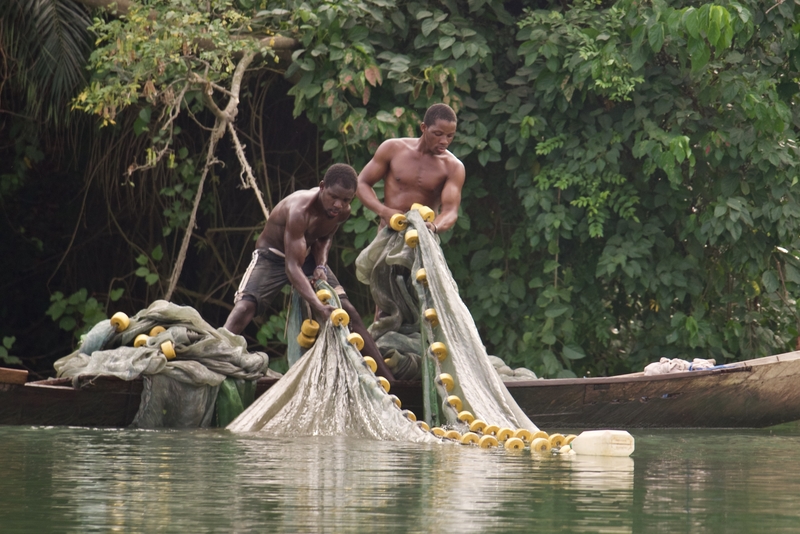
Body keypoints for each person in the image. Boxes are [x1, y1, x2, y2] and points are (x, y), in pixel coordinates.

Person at [224, 163, 393, 380]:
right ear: (322, 187)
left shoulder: (342, 211)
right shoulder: (300, 210)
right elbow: (292, 268)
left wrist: (321, 265)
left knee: (348, 310)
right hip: (273, 255)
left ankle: (390, 380)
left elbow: (324, 237)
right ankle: (217, 351)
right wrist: (318, 306)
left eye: (346, 200)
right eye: (333, 197)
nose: (338, 204)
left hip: (308, 256)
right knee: (247, 305)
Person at [356, 103, 465, 234]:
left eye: (450, 136)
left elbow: (450, 211)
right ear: (424, 127)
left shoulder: (453, 167)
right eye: (438, 134)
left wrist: (434, 226)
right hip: (387, 235)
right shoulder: (393, 149)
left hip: (423, 238)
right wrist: (383, 211)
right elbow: (361, 183)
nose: (444, 141)